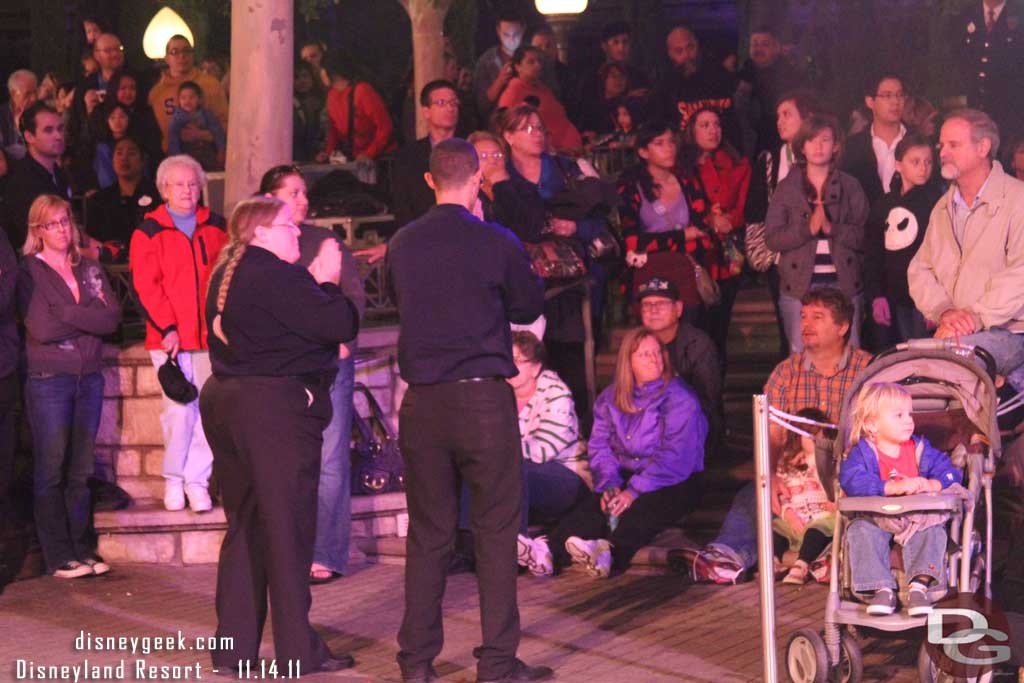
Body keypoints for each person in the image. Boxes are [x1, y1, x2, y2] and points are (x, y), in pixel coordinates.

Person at [387, 138, 549, 683]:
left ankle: (415, 663)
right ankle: (497, 664)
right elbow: (528, 305)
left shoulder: (403, 243)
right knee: (496, 531)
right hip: (482, 397)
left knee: (429, 533)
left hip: (425, 401)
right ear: (478, 179)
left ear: (429, 181)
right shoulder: (495, 240)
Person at [200, 197, 359, 675]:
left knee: (246, 525)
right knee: (287, 529)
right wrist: (327, 280)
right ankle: (296, 650)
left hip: (229, 402)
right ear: (262, 233)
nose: (297, 232)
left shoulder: (227, 272)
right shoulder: (274, 273)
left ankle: (233, 649)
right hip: (271, 412)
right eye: (288, 225)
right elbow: (338, 323)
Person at [673, 288, 871, 583]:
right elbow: (773, 438)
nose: (806, 324)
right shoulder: (785, 373)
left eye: (818, 317)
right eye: (803, 316)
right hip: (797, 476)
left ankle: (836, 558)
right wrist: (772, 476)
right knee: (756, 491)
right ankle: (728, 557)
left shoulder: (866, 370)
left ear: (842, 327)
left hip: (845, 473)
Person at [522, 328, 707, 579]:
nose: (654, 359)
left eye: (657, 353)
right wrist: (609, 483)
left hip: (673, 479)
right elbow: (600, 446)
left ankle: (609, 553)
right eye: (644, 355)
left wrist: (634, 491)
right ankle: (547, 552)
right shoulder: (610, 398)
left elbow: (675, 456)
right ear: (628, 362)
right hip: (627, 474)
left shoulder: (680, 398)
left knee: (642, 508)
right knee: (596, 506)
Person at [258, 164, 366, 584]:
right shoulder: (264, 246)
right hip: (285, 369)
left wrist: (343, 340)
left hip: (329, 364)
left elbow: (352, 297)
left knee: (331, 456)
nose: (304, 201)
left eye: (305, 193)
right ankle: (288, 549)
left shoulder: (325, 241)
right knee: (287, 460)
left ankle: (326, 552)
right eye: (294, 193)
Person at [18, 194, 120, 578]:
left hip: (88, 378)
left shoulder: (90, 268)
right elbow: (41, 328)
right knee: (52, 468)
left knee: (80, 470)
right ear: (37, 231)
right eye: (52, 224)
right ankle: (58, 554)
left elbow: (110, 319)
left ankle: (82, 548)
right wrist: (85, 316)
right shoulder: (30, 271)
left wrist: (66, 313)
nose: (62, 230)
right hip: (50, 381)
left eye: (65, 221)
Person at [130, 155, 228, 512]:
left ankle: (197, 481)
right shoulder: (148, 231)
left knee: (208, 413)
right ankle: (173, 480)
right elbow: (146, 286)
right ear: (163, 190)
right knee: (179, 413)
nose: (187, 190)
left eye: (192, 184)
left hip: (208, 339)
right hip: (169, 339)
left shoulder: (218, 226)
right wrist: (167, 327)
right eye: (179, 184)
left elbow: (224, 279)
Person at [501, 104, 608, 429]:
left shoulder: (566, 169)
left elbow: (601, 220)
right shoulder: (503, 177)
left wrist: (576, 229)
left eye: (539, 127)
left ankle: (577, 433)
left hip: (569, 287)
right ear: (508, 136)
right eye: (526, 129)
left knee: (571, 361)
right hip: (522, 289)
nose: (536, 135)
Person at [908, 108, 1024, 391]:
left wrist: (975, 318)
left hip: (1010, 332)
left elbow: (1021, 274)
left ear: (983, 147)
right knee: (904, 365)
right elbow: (920, 269)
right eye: (941, 145)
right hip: (955, 335)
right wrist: (945, 311)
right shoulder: (943, 208)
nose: (943, 152)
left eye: (953, 144)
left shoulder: (1017, 201)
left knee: (943, 363)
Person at [840, 382, 963, 616]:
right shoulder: (863, 453)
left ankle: (919, 586)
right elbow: (851, 479)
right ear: (872, 424)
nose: (909, 420)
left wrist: (933, 484)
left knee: (934, 531)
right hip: (878, 519)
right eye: (898, 415)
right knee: (859, 530)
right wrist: (889, 487)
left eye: (910, 414)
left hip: (916, 521)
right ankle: (881, 588)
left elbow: (951, 471)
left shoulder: (918, 449)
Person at [766, 114, 869, 352]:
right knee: (801, 356)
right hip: (800, 284)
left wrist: (833, 229)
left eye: (825, 140)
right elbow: (772, 238)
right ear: (802, 146)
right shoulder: (787, 188)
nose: (819, 146)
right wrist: (808, 229)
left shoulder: (850, 186)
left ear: (836, 146)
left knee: (849, 353)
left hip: (844, 281)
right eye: (812, 140)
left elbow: (866, 237)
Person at [745, 89, 824, 355]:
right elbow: (755, 213)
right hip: (780, 262)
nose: (780, 121)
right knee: (790, 335)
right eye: (778, 115)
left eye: (787, 114)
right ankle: (786, 393)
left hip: (821, 261)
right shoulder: (769, 161)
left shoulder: (825, 160)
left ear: (808, 117)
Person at [508, 331, 589, 576]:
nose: (508, 367)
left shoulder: (556, 392)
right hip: (520, 476)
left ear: (535, 367)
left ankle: (516, 549)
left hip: (567, 478)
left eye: (516, 360)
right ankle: (467, 545)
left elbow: (542, 451)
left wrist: (492, 453)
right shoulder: (498, 393)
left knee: (510, 468)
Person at [616, 121, 709, 321]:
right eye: (659, 143)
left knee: (690, 325)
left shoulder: (686, 181)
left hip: (686, 268)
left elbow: (702, 227)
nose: (668, 149)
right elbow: (634, 242)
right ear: (643, 152)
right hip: (649, 272)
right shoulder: (631, 186)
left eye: (671, 142)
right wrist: (683, 235)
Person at [680, 107, 751, 362]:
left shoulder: (737, 163)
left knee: (719, 328)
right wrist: (710, 220)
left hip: (727, 256)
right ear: (691, 130)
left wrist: (730, 220)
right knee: (695, 329)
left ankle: (715, 393)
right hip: (695, 256)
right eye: (705, 125)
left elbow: (745, 205)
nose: (713, 130)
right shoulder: (681, 167)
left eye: (717, 124)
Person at [864, 134, 943, 346]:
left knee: (923, 355)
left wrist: (936, 304)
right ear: (898, 165)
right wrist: (876, 295)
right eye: (915, 162)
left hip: (924, 300)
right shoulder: (884, 204)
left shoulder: (937, 203)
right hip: (892, 295)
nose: (923, 168)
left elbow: (943, 256)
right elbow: (873, 254)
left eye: (928, 162)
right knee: (895, 354)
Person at [635, 277, 722, 448]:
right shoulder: (633, 344)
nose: (653, 310)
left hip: (688, 430)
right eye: (647, 305)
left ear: (678, 308)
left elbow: (706, 401)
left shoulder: (698, 344)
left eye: (661, 304)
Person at [773, 407, 836, 585]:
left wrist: (816, 460)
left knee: (816, 532)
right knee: (774, 530)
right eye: (811, 437)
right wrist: (789, 515)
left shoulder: (828, 462)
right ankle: (774, 562)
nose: (816, 441)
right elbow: (782, 495)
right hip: (797, 515)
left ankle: (801, 565)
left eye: (820, 436)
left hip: (821, 516)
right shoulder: (786, 464)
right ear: (798, 437)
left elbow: (831, 487)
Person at [951, 0, 1024, 149]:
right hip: (974, 107)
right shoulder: (966, 15)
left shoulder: (1019, 13)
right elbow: (958, 62)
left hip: (1011, 112)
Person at [654, 25, 739, 146]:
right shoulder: (665, 86)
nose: (686, 55)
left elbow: (734, 122)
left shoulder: (720, 76)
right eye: (679, 51)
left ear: (697, 46)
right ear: (670, 54)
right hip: (683, 155)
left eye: (690, 47)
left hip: (722, 153)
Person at [3, 102, 71, 250]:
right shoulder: (21, 182)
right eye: (48, 130)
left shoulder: (59, 174)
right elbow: (38, 243)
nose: (58, 136)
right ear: (29, 136)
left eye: (60, 129)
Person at [392, 80, 459, 228]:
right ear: (426, 111)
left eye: (453, 103)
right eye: (441, 103)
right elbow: (402, 207)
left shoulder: (469, 150)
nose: (450, 108)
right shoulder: (407, 158)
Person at [148, 35, 229, 153]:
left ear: (192, 55)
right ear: (166, 58)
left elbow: (226, 124)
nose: (182, 56)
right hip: (173, 158)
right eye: (175, 52)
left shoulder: (211, 84)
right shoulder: (156, 93)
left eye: (186, 51)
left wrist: (201, 135)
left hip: (210, 154)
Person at [735, 25, 806, 156]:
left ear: (777, 48)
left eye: (765, 45)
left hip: (778, 142)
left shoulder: (790, 76)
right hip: (748, 145)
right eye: (754, 44)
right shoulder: (743, 74)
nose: (758, 49)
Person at [85, 137, 159, 260]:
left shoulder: (158, 196)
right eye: (119, 153)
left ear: (143, 161)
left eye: (131, 153)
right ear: (112, 160)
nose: (124, 158)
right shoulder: (98, 200)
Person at [840, 73, 908, 207]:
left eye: (900, 95)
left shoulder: (918, 142)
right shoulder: (852, 147)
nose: (896, 102)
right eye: (887, 96)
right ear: (870, 101)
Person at [497, 46, 582, 154]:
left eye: (539, 61)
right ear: (518, 66)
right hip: (550, 155)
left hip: (568, 151)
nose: (538, 65)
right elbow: (502, 122)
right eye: (531, 62)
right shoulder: (515, 89)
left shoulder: (542, 88)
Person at [320, 55, 396, 162]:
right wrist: (328, 153)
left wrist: (369, 154)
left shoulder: (363, 91)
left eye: (321, 70)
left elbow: (385, 127)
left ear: (332, 72)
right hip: (357, 159)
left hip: (379, 158)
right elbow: (334, 130)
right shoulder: (331, 95)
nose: (319, 74)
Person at [67, 33, 125, 157]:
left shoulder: (133, 81)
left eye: (119, 49)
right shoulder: (85, 86)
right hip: (94, 151)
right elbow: (76, 123)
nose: (115, 54)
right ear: (97, 55)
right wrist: (90, 112)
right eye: (109, 51)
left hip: (127, 147)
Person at [101, 70, 163, 168]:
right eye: (123, 88)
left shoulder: (145, 113)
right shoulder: (102, 111)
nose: (128, 93)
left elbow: (154, 144)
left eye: (132, 88)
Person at [473, 13, 527, 120]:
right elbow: (481, 106)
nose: (511, 40)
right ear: (498, 31)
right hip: (497, 127)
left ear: (523, 29)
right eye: (506, 35)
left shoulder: (534, 58)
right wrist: (500, 80)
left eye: (516, 34)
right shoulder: (487, 61)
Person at [167, 81, 226, 171]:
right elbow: (173, 138)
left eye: (192, 97)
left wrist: (221, 150)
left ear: (199, 99)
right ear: (178, 100)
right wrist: (177, 159)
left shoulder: (206, 114)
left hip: (207, 152)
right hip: (187, 154)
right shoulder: (177, 118)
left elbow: (217, 131)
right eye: (183, 98)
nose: (187, 101)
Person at [91, 101, 132, 189]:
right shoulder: (103, 147)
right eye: (112, 117)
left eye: (122, 116)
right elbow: (105, 177)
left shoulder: (136, 144)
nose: (117, 121)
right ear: (107, 121)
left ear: (128, 118)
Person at [1, 70, 38, 161]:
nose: (34, 98)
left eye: (35, 92)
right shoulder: (2, 116)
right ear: (13, 94)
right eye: (28, 94)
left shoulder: (41, 112)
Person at [293, 61, 326, 163]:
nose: (301, 81)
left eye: (305, 76)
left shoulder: (323, 102)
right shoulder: (288, 105)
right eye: (296, 77)